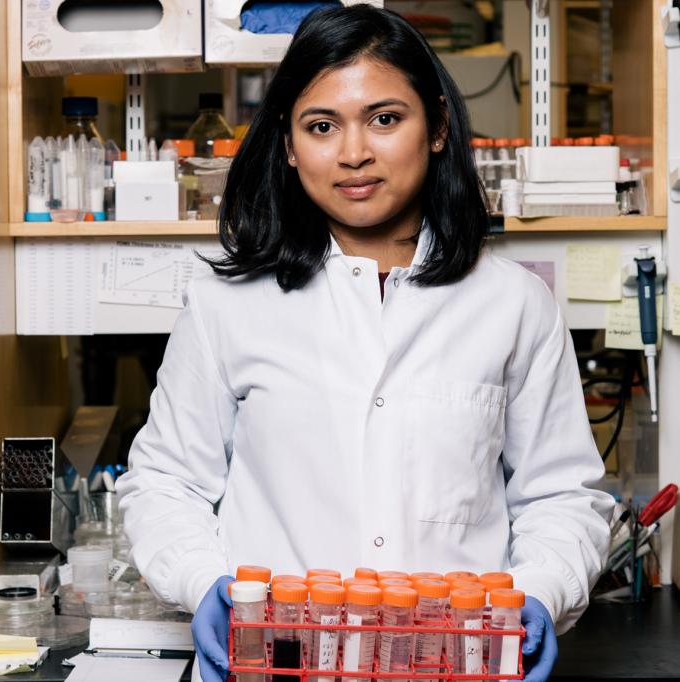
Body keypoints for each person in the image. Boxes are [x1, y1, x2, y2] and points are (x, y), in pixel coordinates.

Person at [116, 5, 613, 682]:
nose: (353, 153)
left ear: (437, 127)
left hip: (457, 665)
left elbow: (561, 498)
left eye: (385, 119)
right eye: (321, 126)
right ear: (290, 145)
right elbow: (164, 483)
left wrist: (542, 591)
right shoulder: (227, 305)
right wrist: (205, 581)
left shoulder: (514, 305)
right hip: (275, 666)